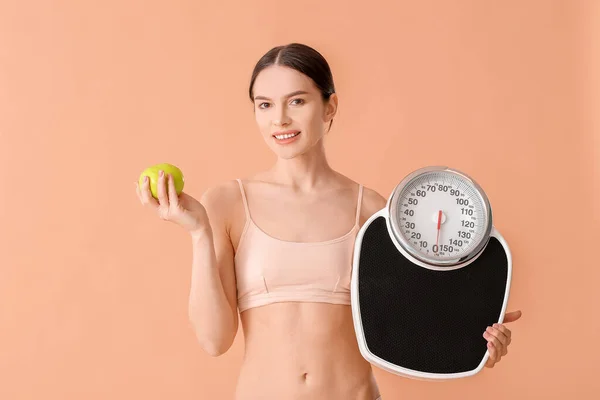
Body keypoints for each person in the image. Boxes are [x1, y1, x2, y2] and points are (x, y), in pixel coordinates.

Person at [135, 43, 522, 400]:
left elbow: (411, 328)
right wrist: (199, 232)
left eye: (297, 101)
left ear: (330, 106)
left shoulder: (375, 213)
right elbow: (214, 340)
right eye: (264, 104)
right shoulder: (226, 203)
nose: (280, 119)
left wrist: (475, 340)